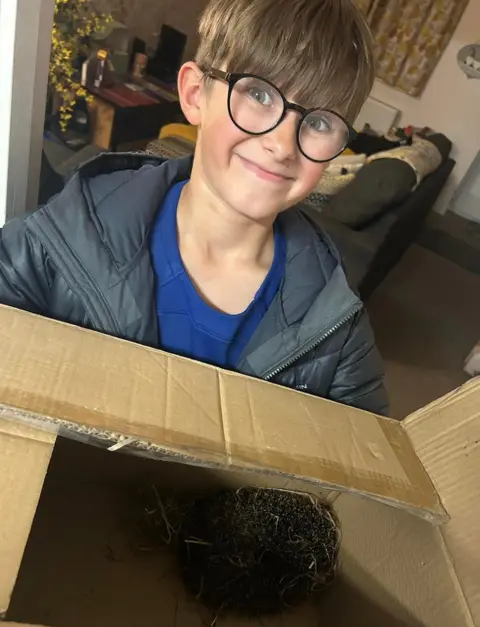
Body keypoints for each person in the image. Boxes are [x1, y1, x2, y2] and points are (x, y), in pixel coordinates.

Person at [0, 0, 387, 415]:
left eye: (318, 123)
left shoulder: (334, 322)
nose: (282, 145)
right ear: (194, 94)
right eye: (258, 93)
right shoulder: (70, 233)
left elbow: (366, 452)